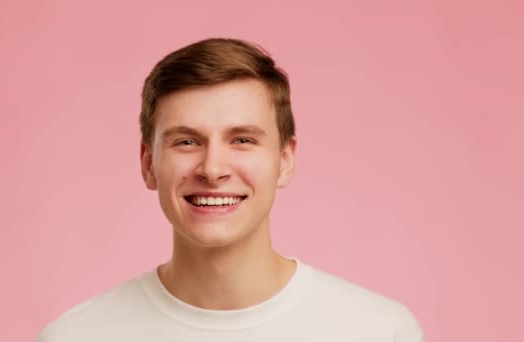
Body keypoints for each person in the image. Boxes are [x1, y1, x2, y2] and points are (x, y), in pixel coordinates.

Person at [36, 38, 424, 341]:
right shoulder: (76, 337)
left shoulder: (378, 333)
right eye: (186, 142)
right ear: (148, 164)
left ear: (284, 161)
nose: (213, 169)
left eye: (242, 140)